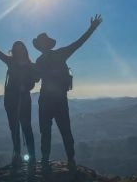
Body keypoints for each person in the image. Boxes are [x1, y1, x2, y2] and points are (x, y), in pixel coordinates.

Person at [33, 14, 103, 174]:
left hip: (51, 100)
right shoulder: (45, 59)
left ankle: (61, 160)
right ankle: (58, 160)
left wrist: (91, 29)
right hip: (51, 100)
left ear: (46, 45)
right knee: (55, 131)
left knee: (58, 131)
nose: (43, 45)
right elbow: (36, 78)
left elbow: (78, 43)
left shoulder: (53, 56)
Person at [0, 25, 38, 171]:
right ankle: (19, 156)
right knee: (15, 128)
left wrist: (27, 86)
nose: (19, 51)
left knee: (25, 128)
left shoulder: (28, 65)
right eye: (17, 49)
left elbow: (35, 80)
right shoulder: (14, 62)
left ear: (24, 50)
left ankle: (30, 158)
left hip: (21, 100)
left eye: (20, 49)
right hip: (12, 101)